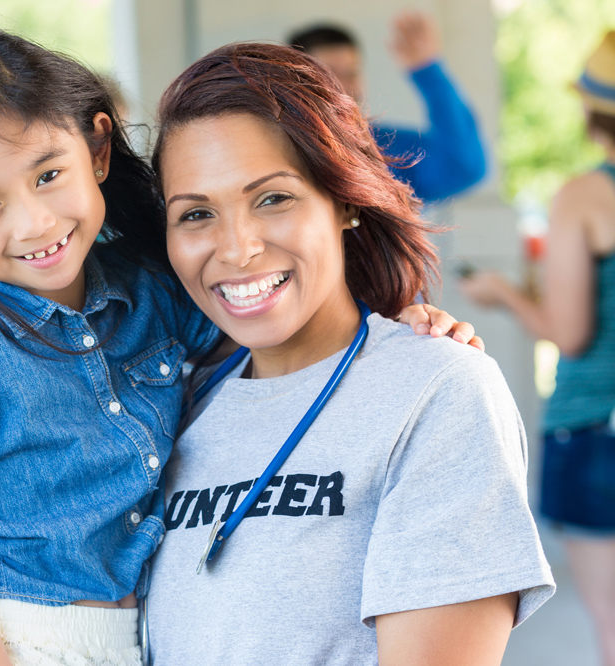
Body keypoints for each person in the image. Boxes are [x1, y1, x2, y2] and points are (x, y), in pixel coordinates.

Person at [0, 30, 477, 666]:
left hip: (133, 643)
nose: (33, 222)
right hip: (9, 642)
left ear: (97, 150)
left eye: (48, 175)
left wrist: (400, 326)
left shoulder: (150, 292)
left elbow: (271, 317)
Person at [146, 42, 554, 665]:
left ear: (344, 202)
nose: (236, 248)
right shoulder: (172, 406)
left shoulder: (436, 390)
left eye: (272, 198)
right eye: (196, 213)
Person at [460, 30, 615, 666]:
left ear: (590, 111)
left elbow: (571, 332)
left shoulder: (585, 196)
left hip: (596, 432)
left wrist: (506, 296)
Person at [289, 11, 486, 203]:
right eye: (329, 74)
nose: (343, 86)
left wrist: (428, 71)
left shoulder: (389, 149)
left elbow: (463, 167)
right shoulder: (280, 146)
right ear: (295, 81)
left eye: (352, 73)